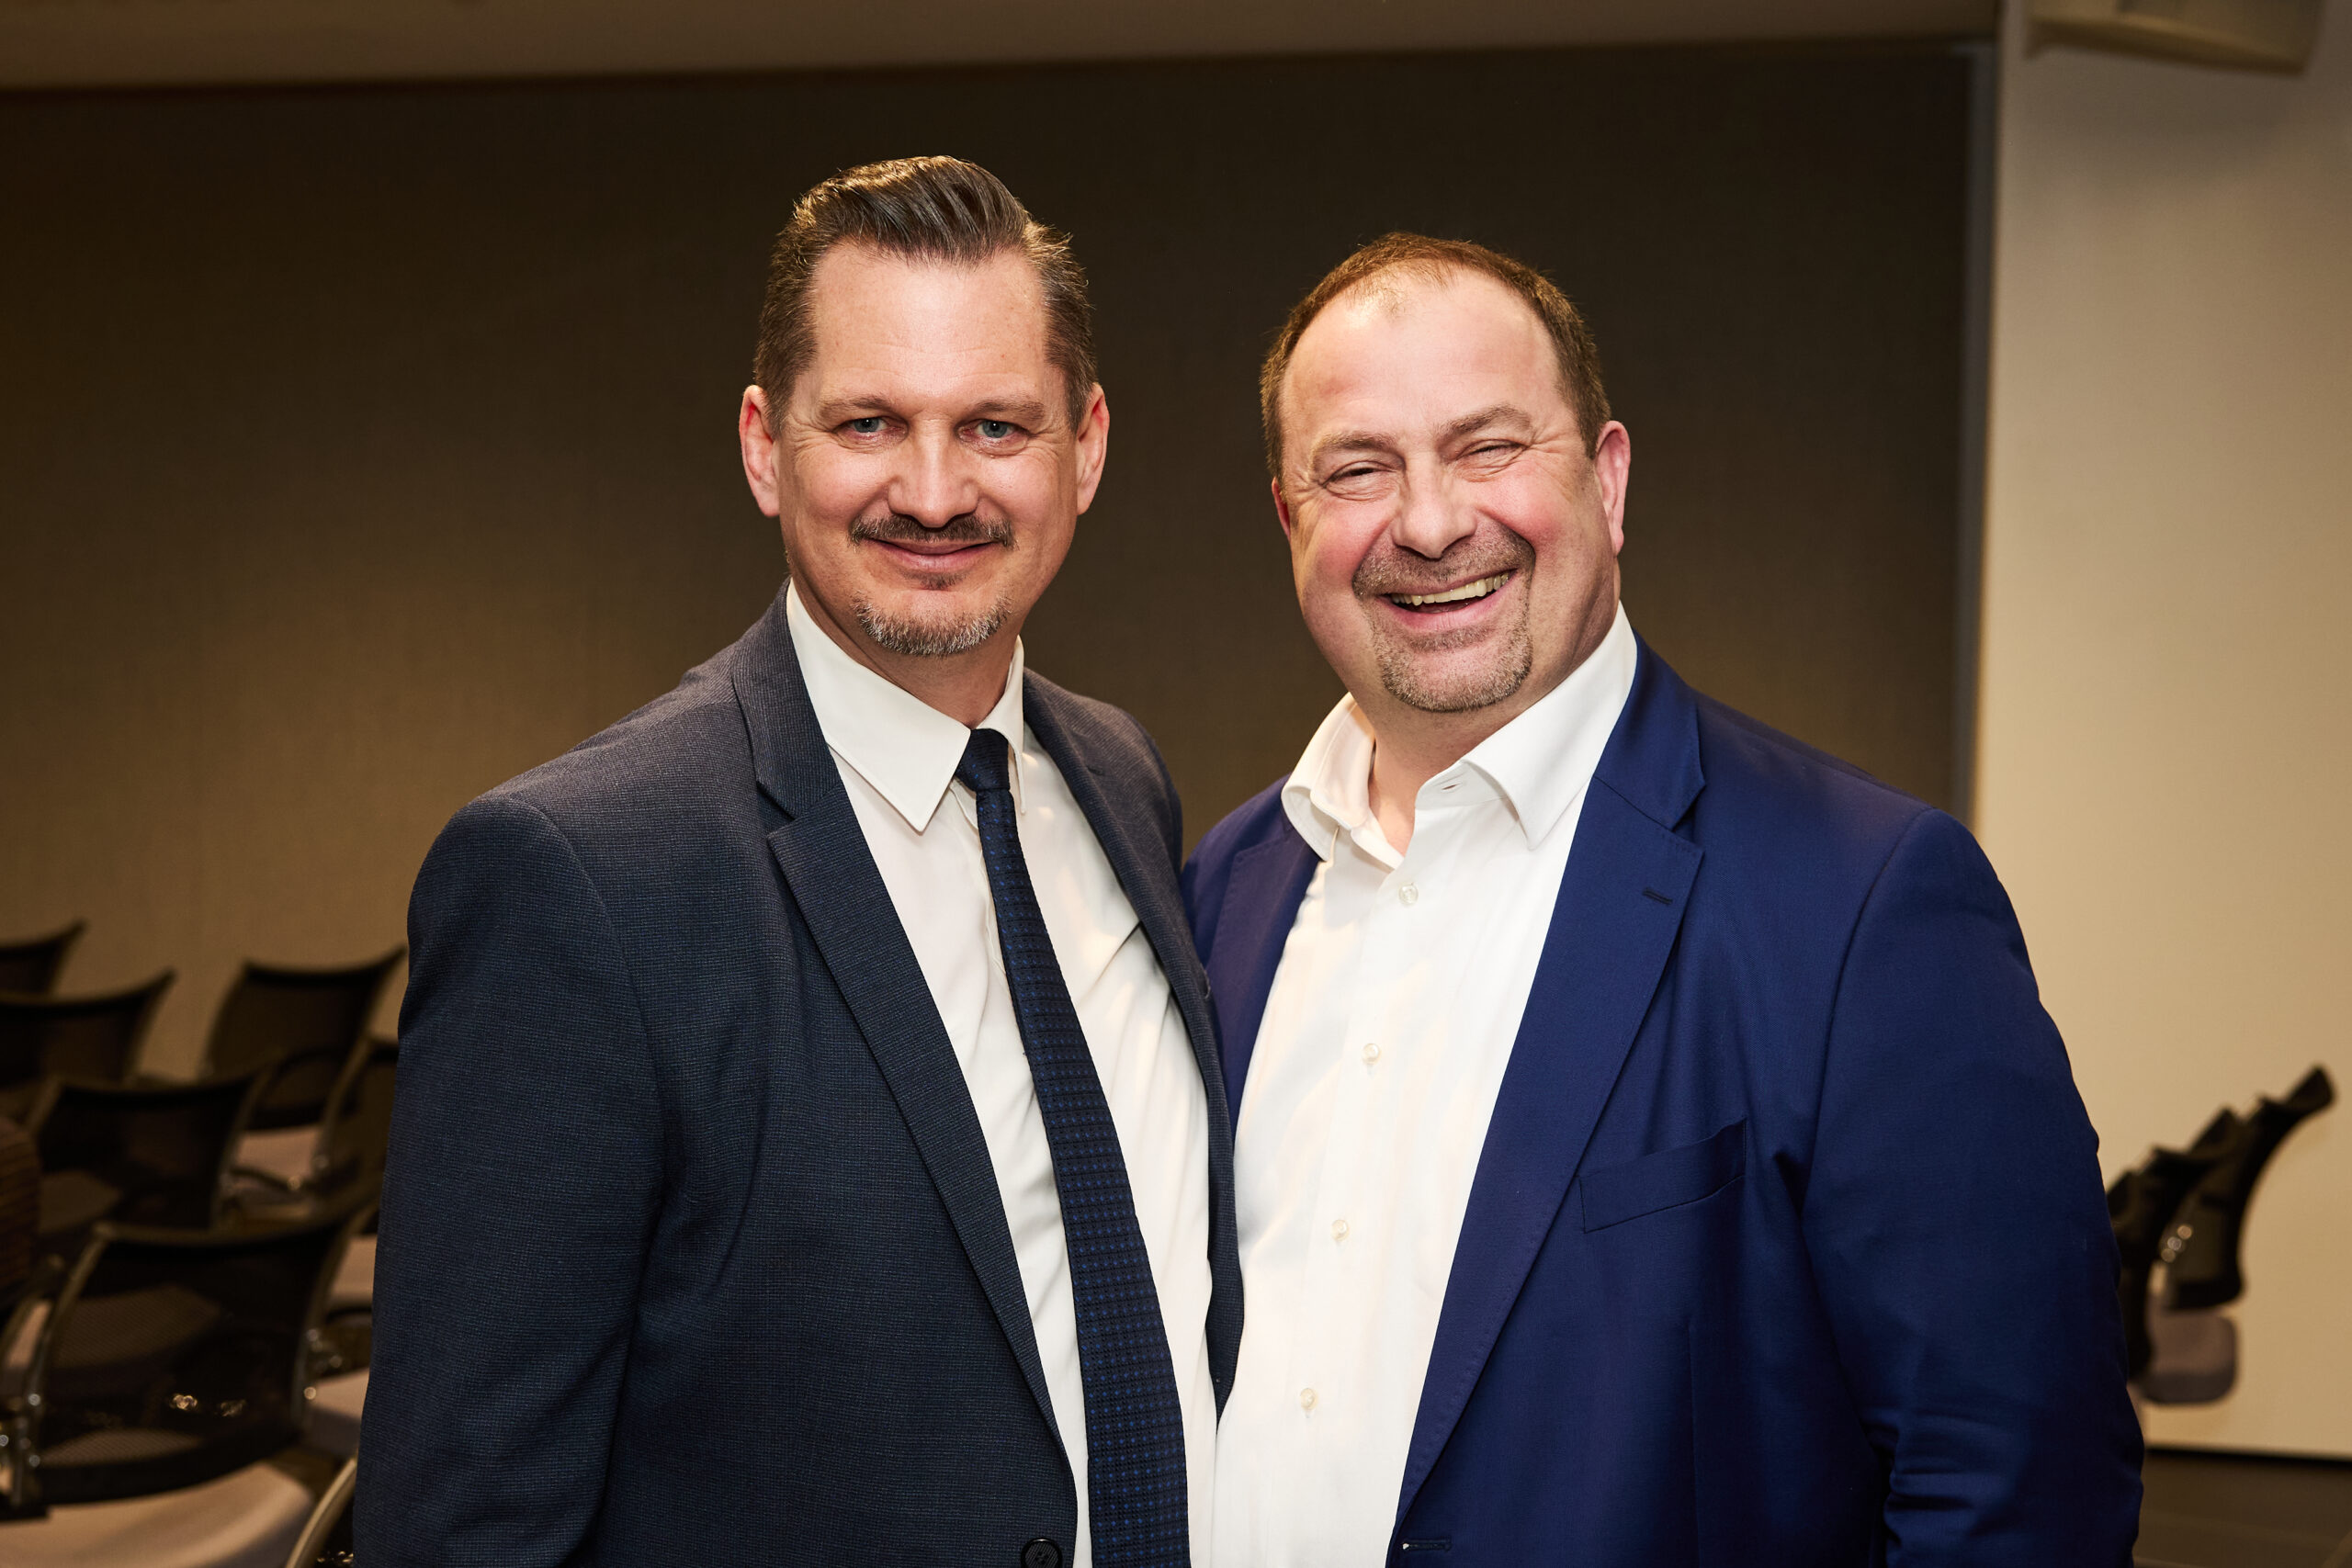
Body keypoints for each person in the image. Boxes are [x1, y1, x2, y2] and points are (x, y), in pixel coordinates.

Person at [1185, 233, 2143, 1565]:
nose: (1430, 522)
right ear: (1291, 519)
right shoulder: (1221, 893)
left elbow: (2017, 1490)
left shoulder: (1866, 907)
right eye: (1358, 469)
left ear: (1609, 479)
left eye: (1488, 448)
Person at [361, 157, 1238, 1568]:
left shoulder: (1121, 778)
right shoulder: (576, 878)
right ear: (767, 446)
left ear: (1085, 448)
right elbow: (465, 1522)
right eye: (870, 423)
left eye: (996, 425)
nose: (935, 492)